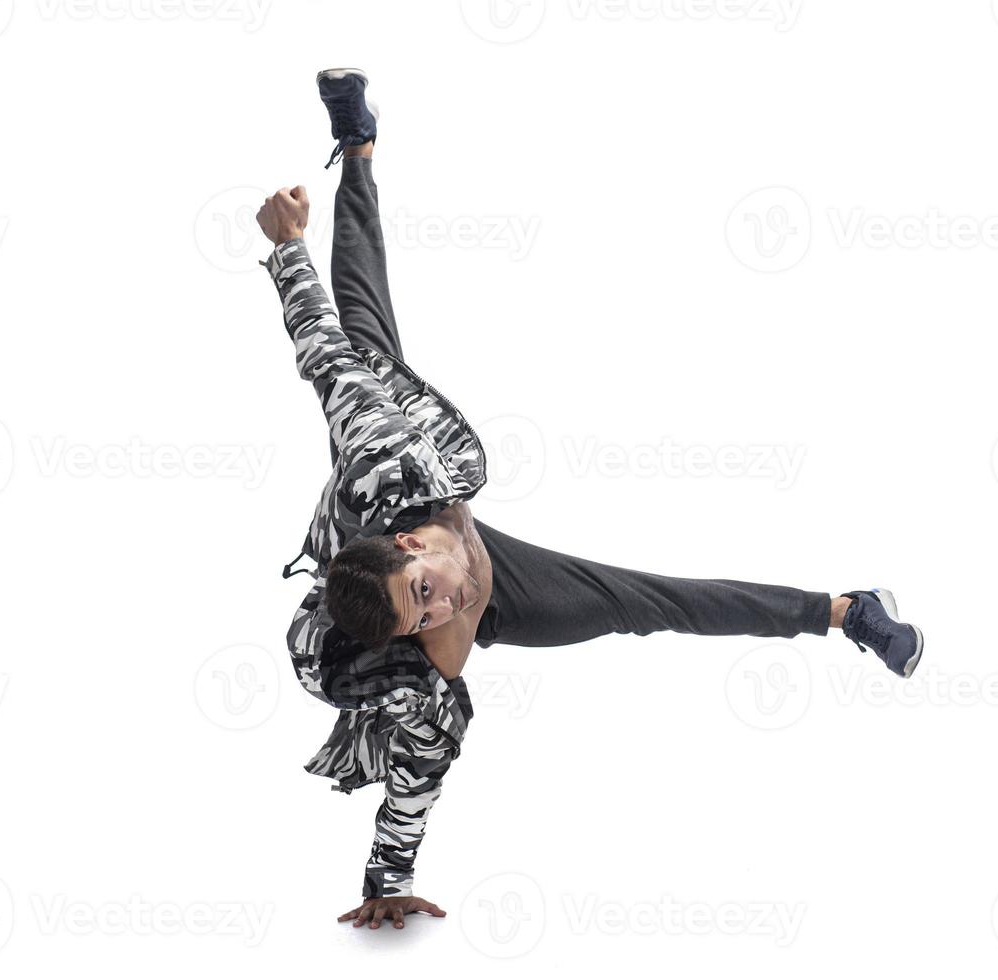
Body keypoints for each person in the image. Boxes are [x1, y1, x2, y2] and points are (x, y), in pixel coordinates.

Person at [256, 68, 925, 931]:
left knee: (360, 321)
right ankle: (848, 610)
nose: (440, 609)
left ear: (414, 546)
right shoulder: (424, 670)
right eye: (422, 621)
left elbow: (322, 358)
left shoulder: (380, 461)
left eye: (424, 594)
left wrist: (283, 248)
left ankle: (358, 146)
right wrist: (386, 880)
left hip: (405, 472)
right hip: (436, 605)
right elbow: (417, 779)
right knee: (646, 603)